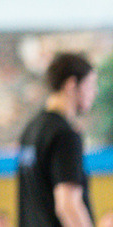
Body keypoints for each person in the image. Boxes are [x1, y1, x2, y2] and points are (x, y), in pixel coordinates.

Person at [17, 51, 98, 227]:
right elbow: (68, 206)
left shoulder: (30, 130)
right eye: (90, 85)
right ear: (71, 84)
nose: (94, 93)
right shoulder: (64, 134)